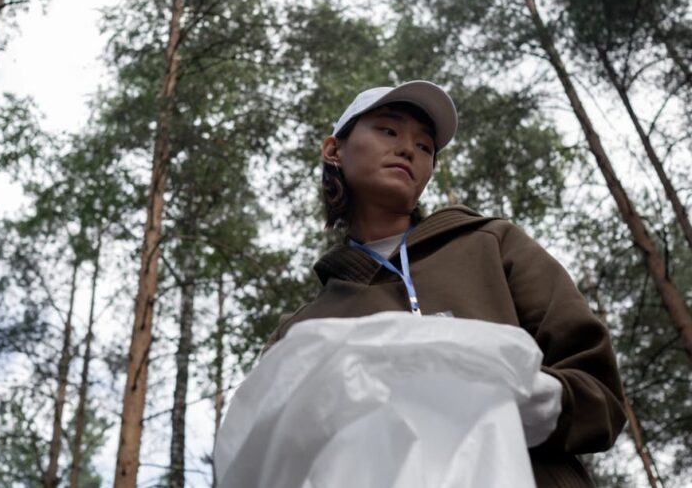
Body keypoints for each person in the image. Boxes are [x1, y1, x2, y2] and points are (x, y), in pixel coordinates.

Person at [263, 80, 626, 487]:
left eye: (425, 147)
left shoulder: (490, 243)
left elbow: (601, 396)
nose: (408, 150)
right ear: (334, 150)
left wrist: (511, 397)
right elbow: (268, 459)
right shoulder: (298, 332)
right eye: (388, 130)